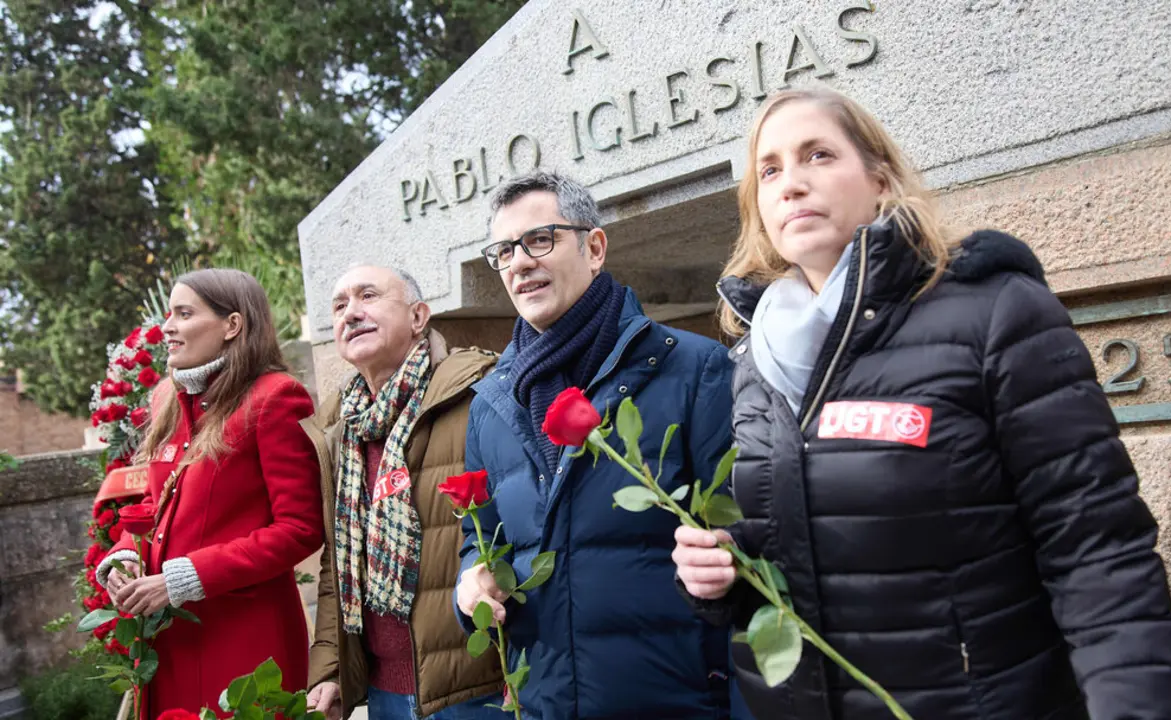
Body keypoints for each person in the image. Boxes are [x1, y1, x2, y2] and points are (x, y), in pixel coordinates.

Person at [672, 87, 1171, 720]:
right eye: (770, 170)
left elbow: (1096, 550)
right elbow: (807, 542)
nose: (791, 183)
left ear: (880, 180)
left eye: (818, 155)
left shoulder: (993, 311)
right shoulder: (754, 358)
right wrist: (728, 570)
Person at [454, 171, 746, 719]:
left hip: (675, 703)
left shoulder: (695, 368)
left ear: (594, 248)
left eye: (540, 239)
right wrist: (469, 585)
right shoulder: (490, 404)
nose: (519, 263)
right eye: (504, 251)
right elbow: (480, 539)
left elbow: (750, 540)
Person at [99, 268, 325, 717]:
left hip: (243, 642)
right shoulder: (167, 398)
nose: (168, 326)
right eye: (170, 314)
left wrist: (186, 578)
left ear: (232, 325)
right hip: (169, 641)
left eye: (184, 314)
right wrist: (125, 555)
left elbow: (300, 528)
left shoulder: (275, 397)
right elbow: (159, 503)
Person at [305, 266, 505, 720]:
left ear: (418, 316)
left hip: (476, 686)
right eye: (339, 306)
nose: (351, 313)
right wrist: (331, 670)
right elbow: (339, 561)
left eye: (368, 296)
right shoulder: (341, 426)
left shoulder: (476, 392)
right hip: (385, 692)